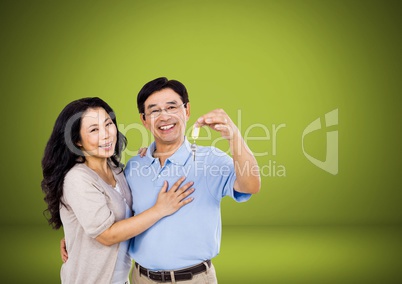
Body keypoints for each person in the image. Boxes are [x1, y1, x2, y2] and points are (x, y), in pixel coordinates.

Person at [41, 97, 195, 284]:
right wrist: (160, 209)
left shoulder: (115, 168)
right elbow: (107, 235)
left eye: (108, 124)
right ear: (77, 141)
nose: (106, 135)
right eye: (94, 130)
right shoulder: (78, 178)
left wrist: (150, 156)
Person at [125, 77, 261, 283]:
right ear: (144, 120)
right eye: (154, 110)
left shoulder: (210, 160)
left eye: (172, 107)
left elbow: (251, 185)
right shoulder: (134, 166)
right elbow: (117, 217)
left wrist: (234, 136)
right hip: (140, 277)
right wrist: (77, 239)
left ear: (187, 110)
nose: (164, 116)